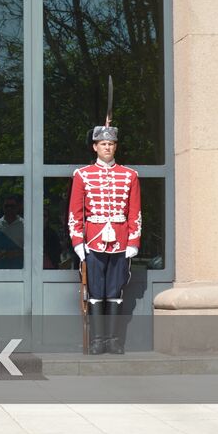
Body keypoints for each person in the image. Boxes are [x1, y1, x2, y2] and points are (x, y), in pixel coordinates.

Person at [68, 124, 141, 355]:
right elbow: (75, 212)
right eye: (103, 144)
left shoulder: (129, 175)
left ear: (115, 146)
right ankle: (98, 340)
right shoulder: (82, 175)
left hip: (120, 242)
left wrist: (133, 242)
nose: (107, 147)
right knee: (96, 291)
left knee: (115, 292)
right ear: (95, 147)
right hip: (93, 241)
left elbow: (135, 212)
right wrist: (78, 241)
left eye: (110, 144)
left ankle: (114, 340)